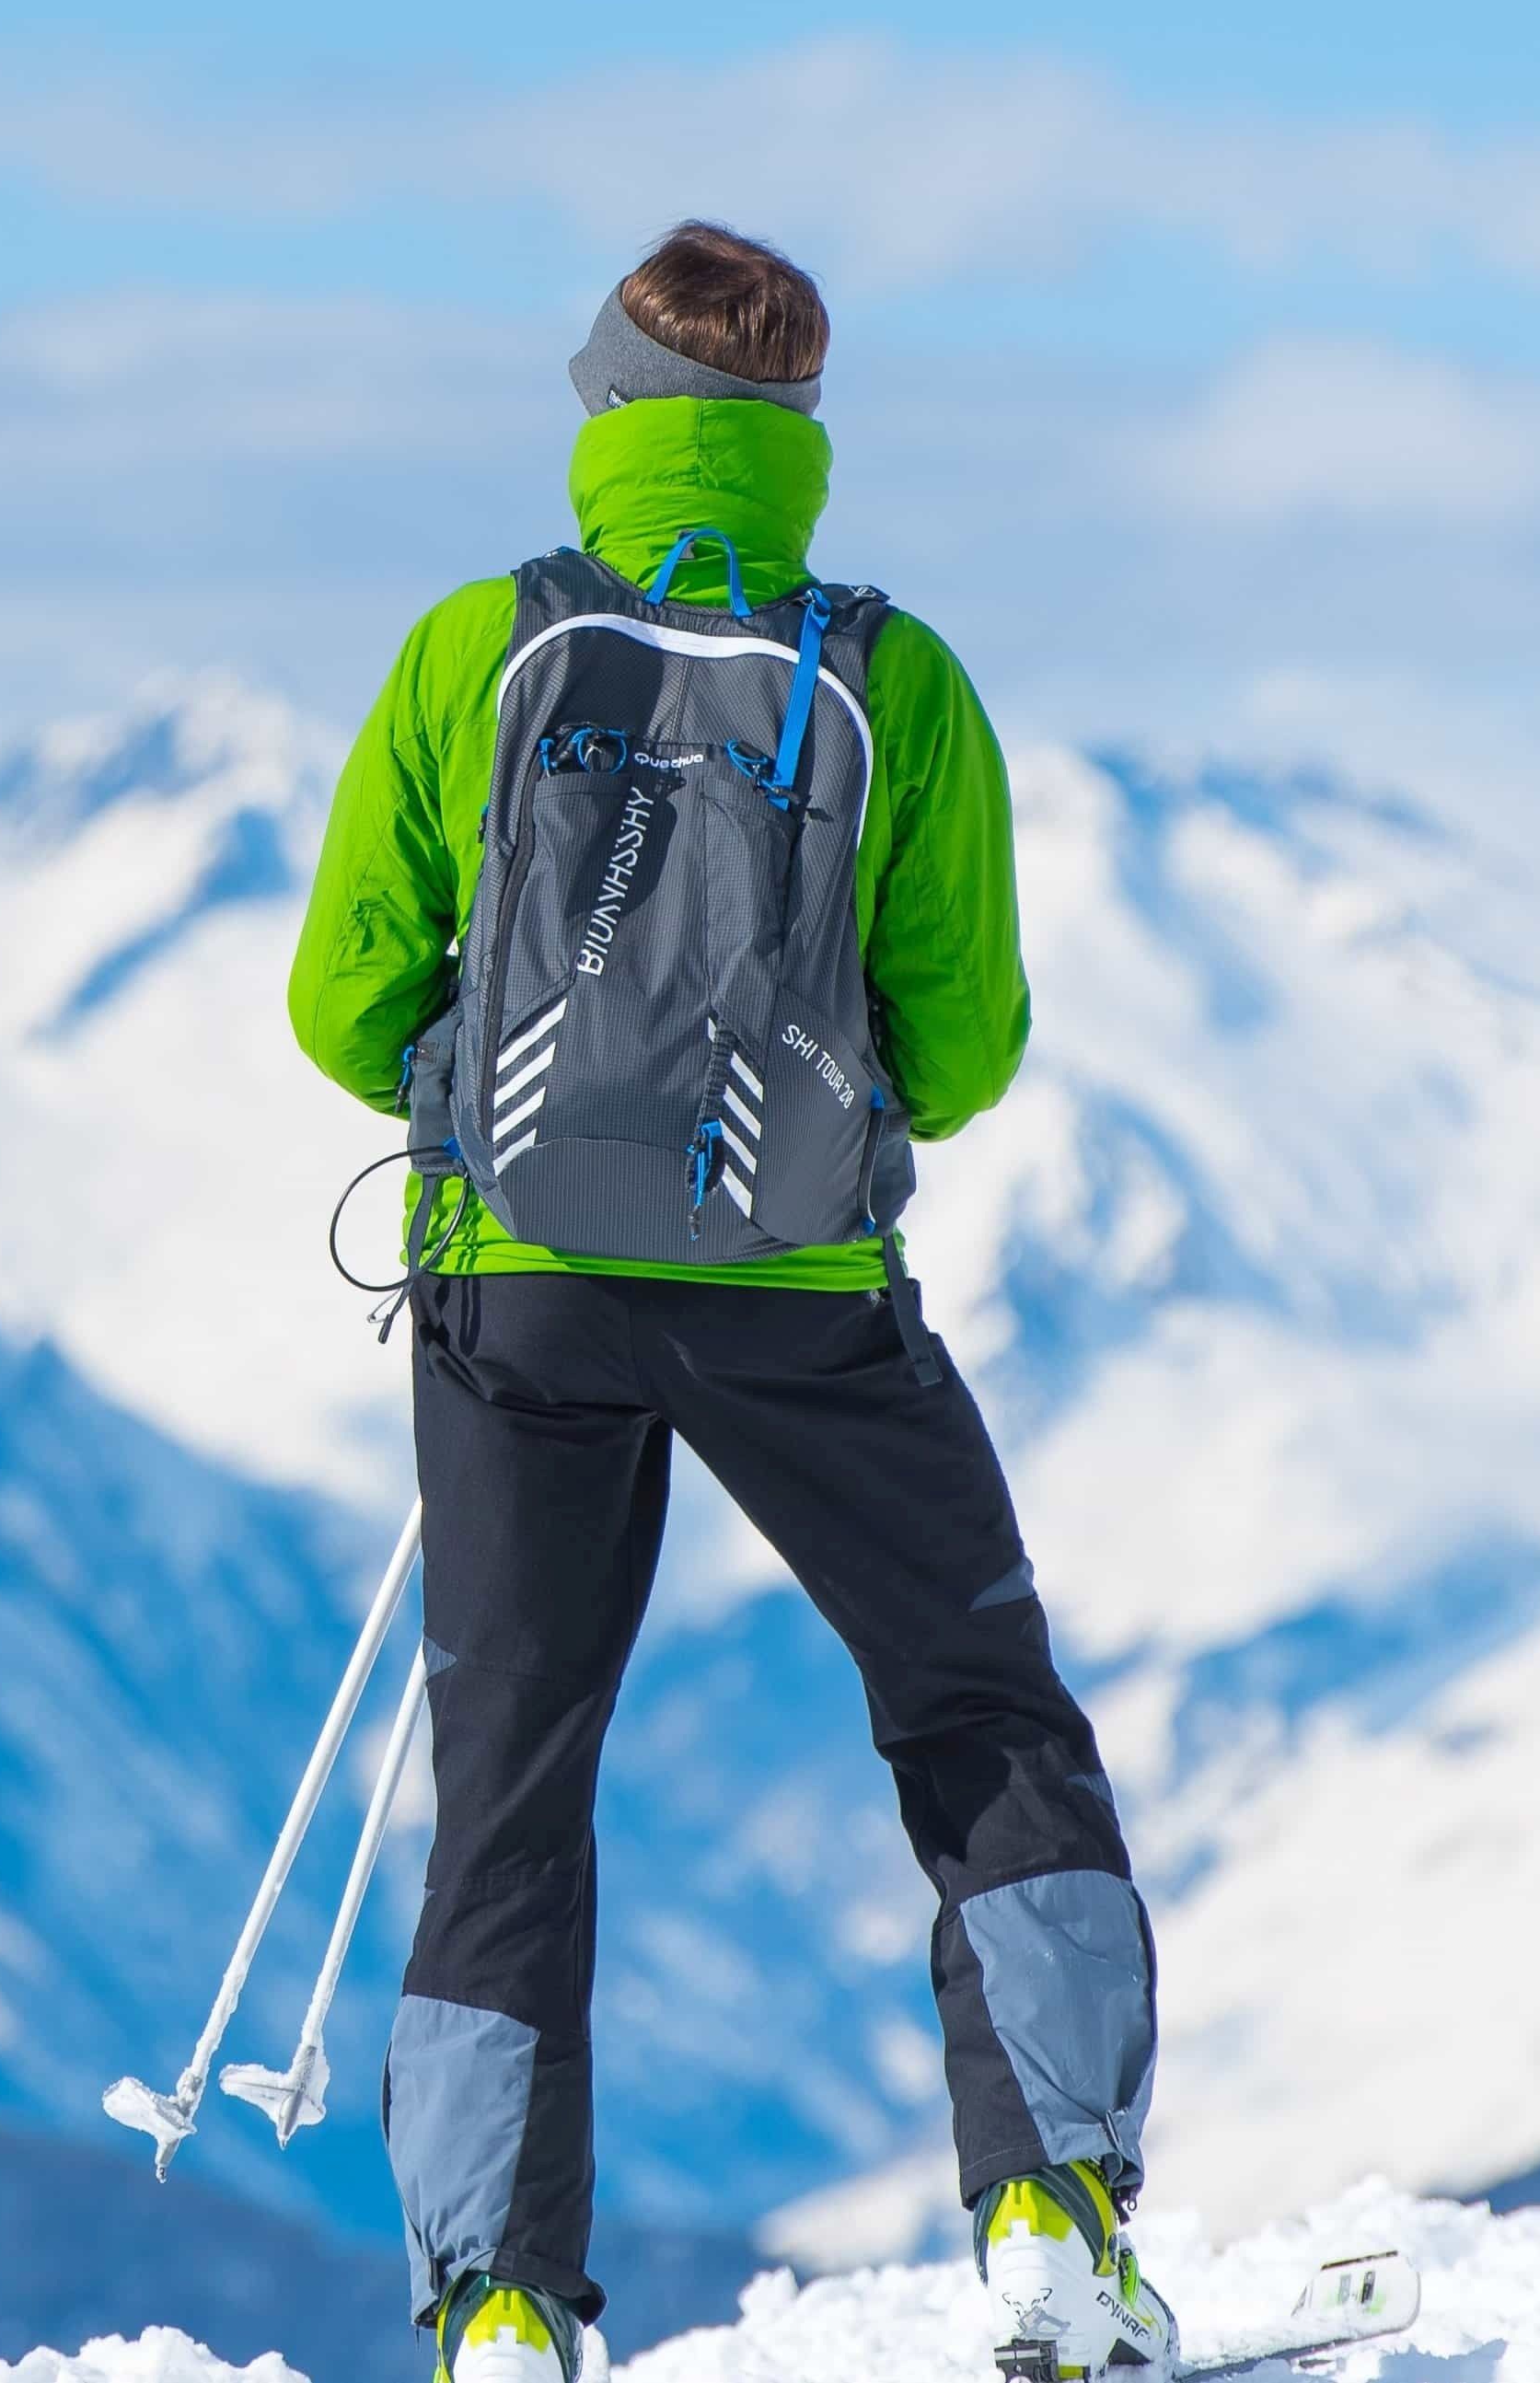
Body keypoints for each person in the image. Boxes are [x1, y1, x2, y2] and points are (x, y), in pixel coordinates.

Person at [284, 226, 1166, 2383]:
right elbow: (962, 1055)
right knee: (975, 1707)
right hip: (798, 1287)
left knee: (512, 1776)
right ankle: (1048, 2210)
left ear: (600, 408)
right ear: (803, 435)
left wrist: (485, 1087)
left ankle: (498, 2302)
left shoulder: (469, 651)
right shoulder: (894, 673)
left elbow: (335, 1004)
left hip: (520, 1292)